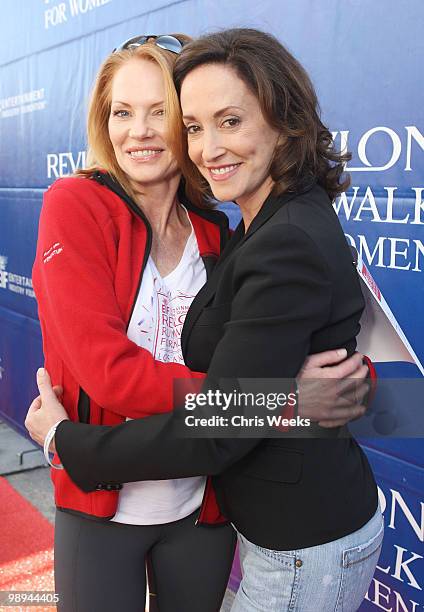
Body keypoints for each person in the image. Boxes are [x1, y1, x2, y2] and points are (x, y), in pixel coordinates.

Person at [26, 30, 377, 612]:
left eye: (162, 114)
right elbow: (109, 374)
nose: (138, 131)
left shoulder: (222, 229)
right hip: (105, 499)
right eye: (121, 112)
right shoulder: (76, 204)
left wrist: (308, 391)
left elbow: (310, 357)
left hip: (204, 507)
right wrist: (281, 399)